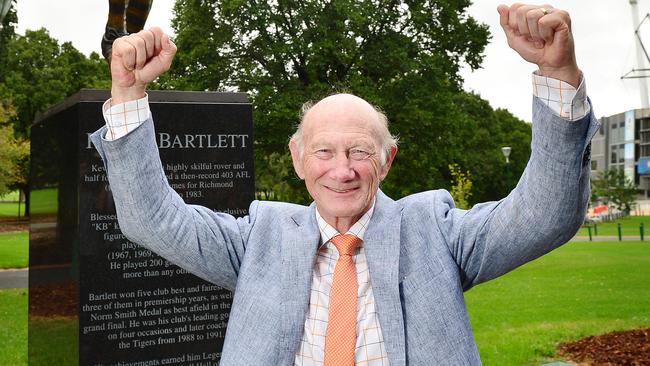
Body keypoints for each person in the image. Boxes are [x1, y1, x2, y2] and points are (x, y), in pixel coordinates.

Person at [91, 3, 599, 365]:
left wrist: (556, 73)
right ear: (297, 159)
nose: (342, 170)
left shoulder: (436, 233)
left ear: (387, 160)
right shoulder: (256, 239)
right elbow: (150, 219)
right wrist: (129, 92)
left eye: (359, 152)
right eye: (324, 152)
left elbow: (544, 216)